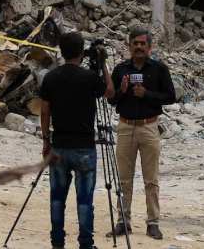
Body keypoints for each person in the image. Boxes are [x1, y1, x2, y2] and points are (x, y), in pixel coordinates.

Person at [39, 32, 114, 249]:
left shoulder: (51, 78)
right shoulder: (89, 78)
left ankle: (57, 242)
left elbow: (45, 112)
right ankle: (86, 243)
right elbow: (110, 92)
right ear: (82, 53)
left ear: (61, 52)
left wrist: (46, 141)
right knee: (84, 201)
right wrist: (103, 65)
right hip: (84, 148)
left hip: (59, 146)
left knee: (57, 199)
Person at [108, 26, 176, 240]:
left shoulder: (159, 69)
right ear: (129, 45)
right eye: (135, 43)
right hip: (126, 126)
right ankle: (123, 221)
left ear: (149, 46)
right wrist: (122, 91)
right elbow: (111, 100)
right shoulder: (120, 70)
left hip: (149, 127)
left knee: (151, 179)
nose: (139, 47)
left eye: (142, 44)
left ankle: (153, 223)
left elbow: (170, 97)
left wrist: (146, 94)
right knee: (124, 178)